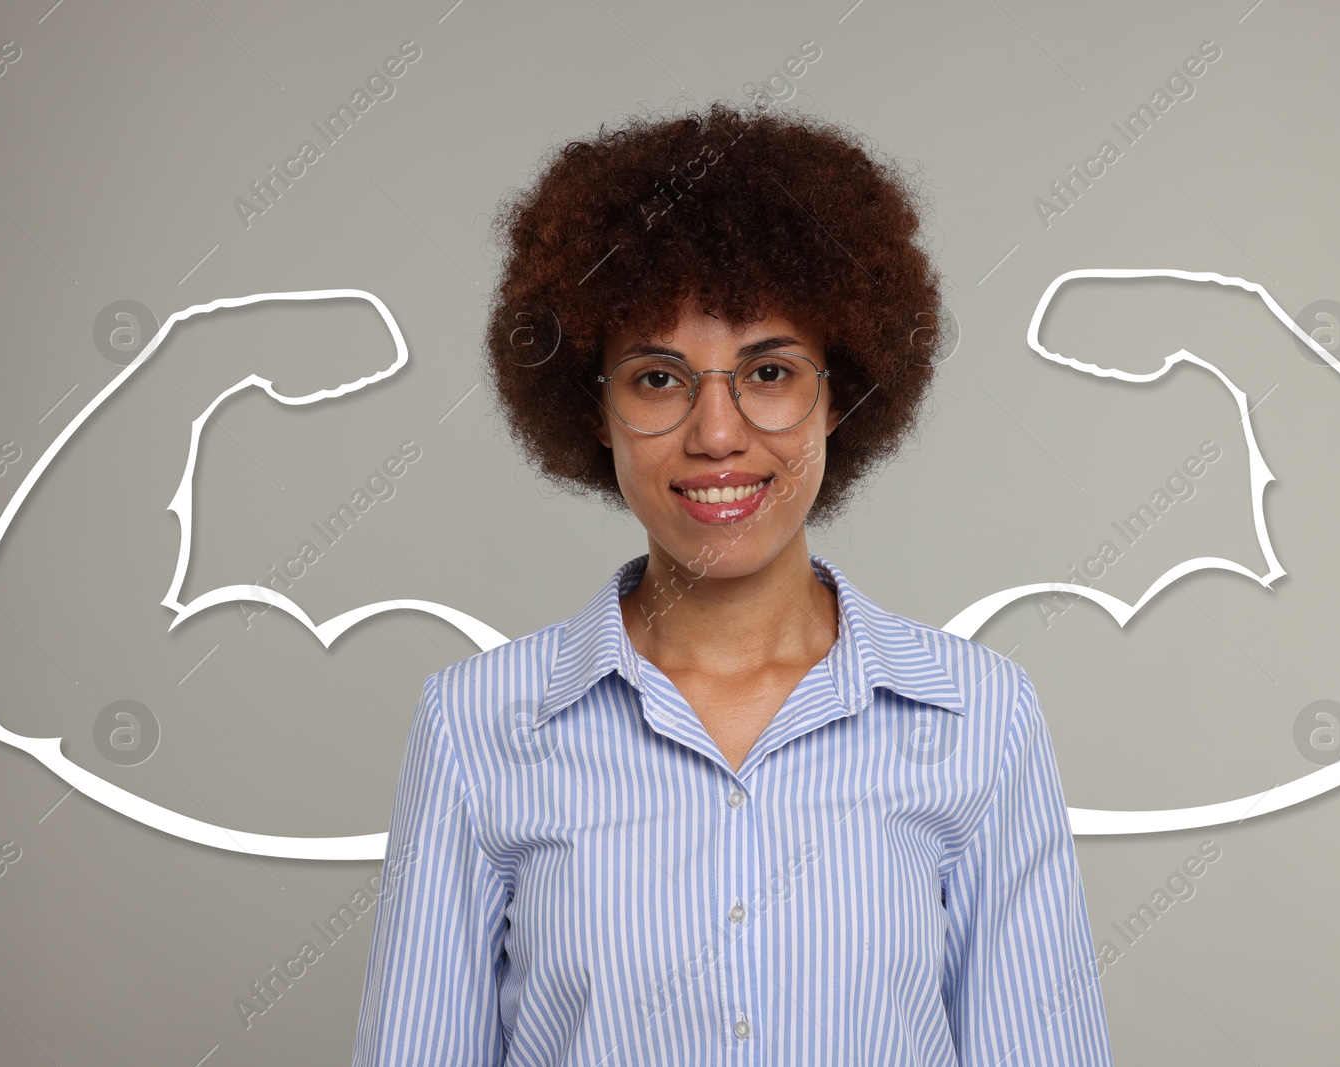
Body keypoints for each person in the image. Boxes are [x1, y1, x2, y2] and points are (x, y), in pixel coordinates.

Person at [352, 100, 1113, 1065]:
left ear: (841, 393)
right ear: (595, 410)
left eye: (770, 372)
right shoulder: (477, 729)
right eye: (659, 378)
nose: (717, 433)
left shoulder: (979, 719)